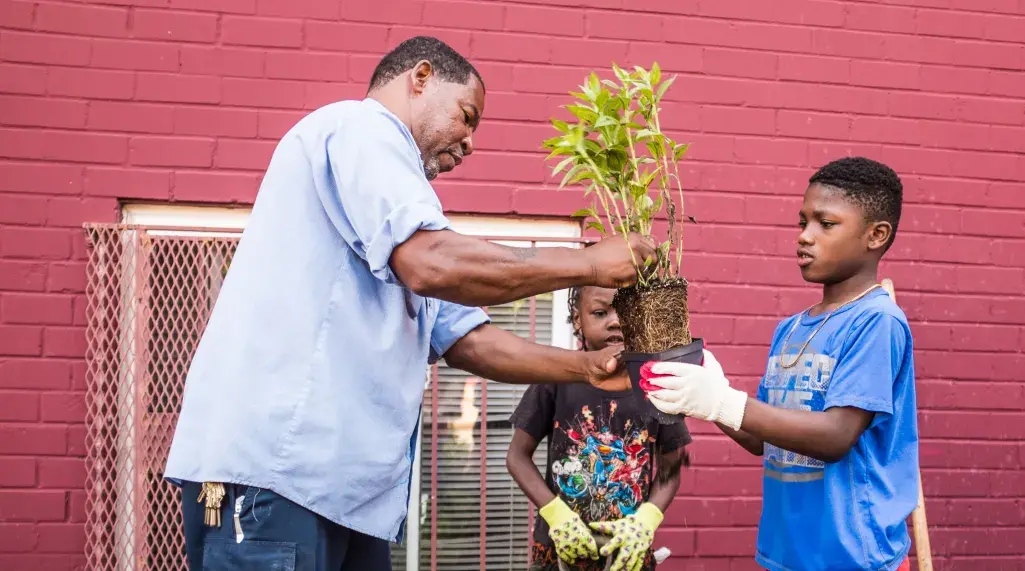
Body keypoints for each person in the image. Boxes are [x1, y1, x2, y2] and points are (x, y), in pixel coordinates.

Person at [163, 36, 658, 571]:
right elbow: (433, 265)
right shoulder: (360, 129)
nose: (469, 143)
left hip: (347, 499)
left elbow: (471, 341)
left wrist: (589, 368)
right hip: (278, 480)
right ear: (419, 78)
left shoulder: (403, 211)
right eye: (467, 116)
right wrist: (587, 264)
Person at [642, 157, 918, 571]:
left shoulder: (876, 321)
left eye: (825, 224)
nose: (804, 237)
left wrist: (722, 402)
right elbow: (760, 439)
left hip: (852, 556)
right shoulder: (791, 329)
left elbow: (835, 436)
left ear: (876, 235)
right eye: (802, 222)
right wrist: (704, 397)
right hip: (788, 551)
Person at [507, 285, 691, 571]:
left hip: (627, 553)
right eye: (600, 312)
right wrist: (556, 515)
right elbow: (517, 457)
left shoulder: (657, 384)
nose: (615, 320)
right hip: (559, 552)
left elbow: (671, 470)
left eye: (625, 310)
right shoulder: (555, 376)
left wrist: (647, 520)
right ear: (578, 318)